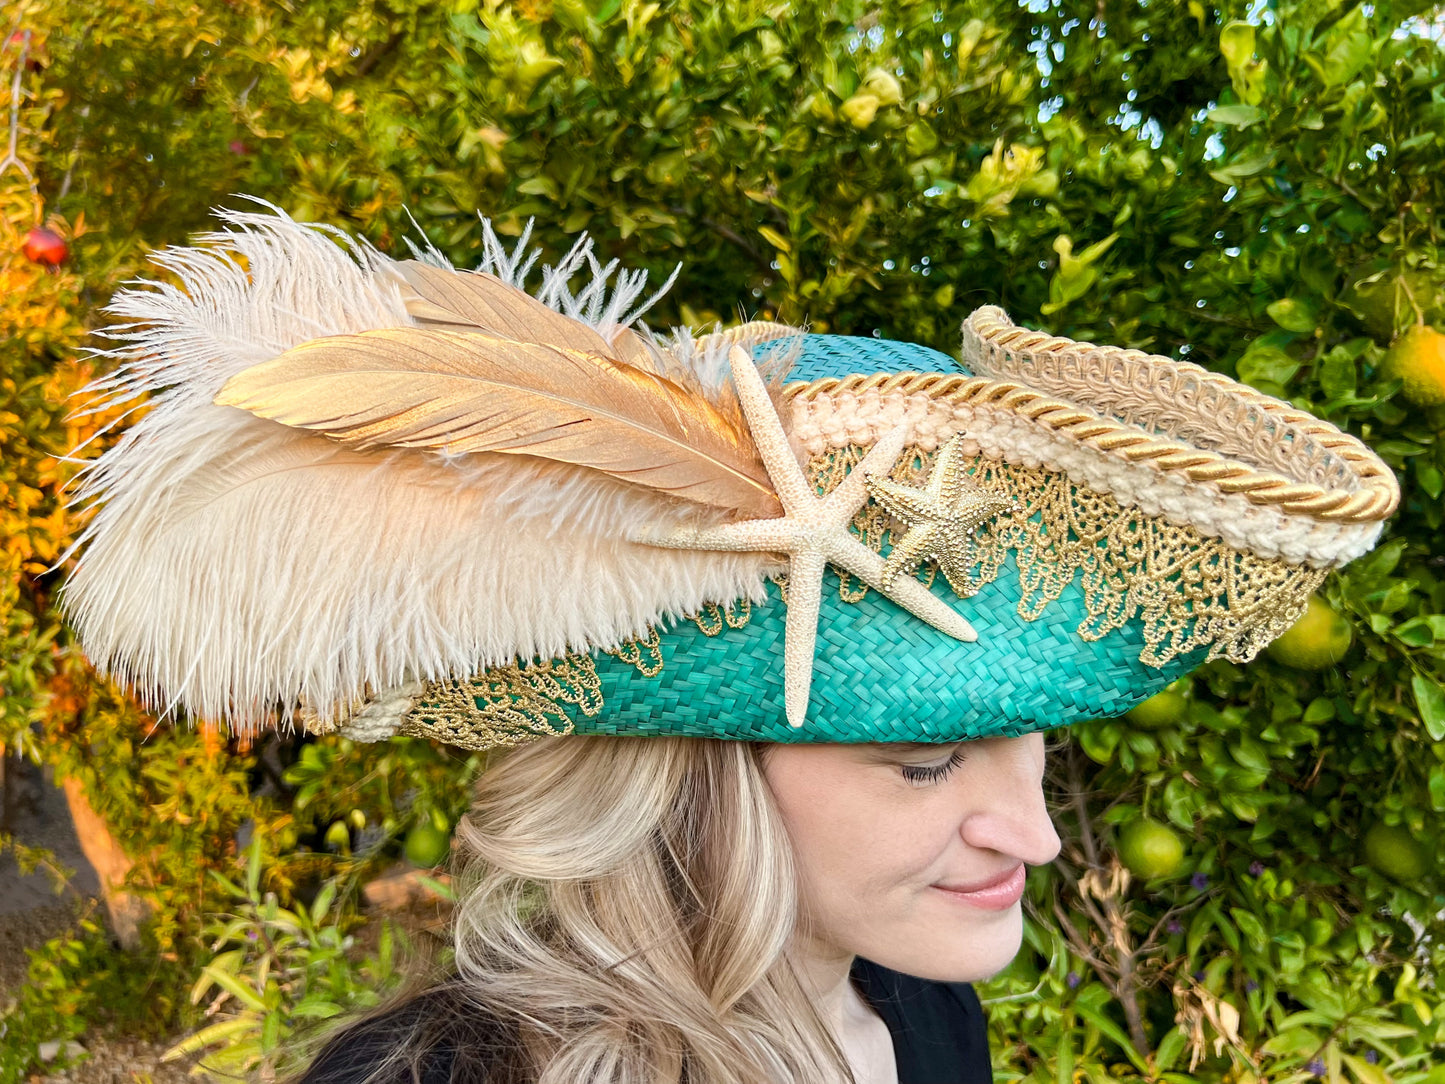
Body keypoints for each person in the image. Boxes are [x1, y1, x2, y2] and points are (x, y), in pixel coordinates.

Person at [64, 206, 1399, 1083]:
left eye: (1030, 748)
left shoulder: (928, 1026)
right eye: (927, 761)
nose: (1036, 836)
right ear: (683, 762)